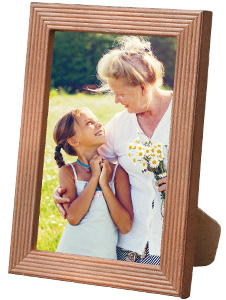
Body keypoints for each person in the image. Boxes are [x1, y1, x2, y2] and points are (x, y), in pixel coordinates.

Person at [54, 36, 173, 265]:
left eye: (121, 93)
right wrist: (62, 192)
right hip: (125, 247)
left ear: (142, 88)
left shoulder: (186, 114)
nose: (117, 101)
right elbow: (88, 161)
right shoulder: (120, 125)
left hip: (170, 246)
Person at [53, 107, 133, 260]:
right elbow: (73, 218)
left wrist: (104, 185)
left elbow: (125, 226)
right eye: (89, 123)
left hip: (104, 258)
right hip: (70, 254)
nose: (98, 124)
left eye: (97, 121)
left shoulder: (117, 173)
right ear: (74, 140)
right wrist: (95, 177)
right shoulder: (68, 172)